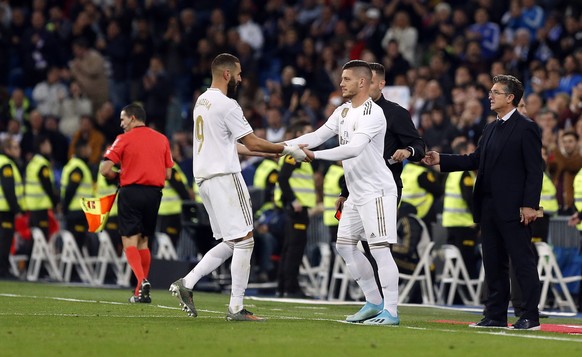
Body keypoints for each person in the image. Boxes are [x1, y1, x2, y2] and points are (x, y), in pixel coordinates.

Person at [168, 53, 307, 322]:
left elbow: (232, 144)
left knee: (233, 241)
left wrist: (271, 154)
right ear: (227, 74)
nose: (242, 79)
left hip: (205, 180)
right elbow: (253, 141)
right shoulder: (227, 104)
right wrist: (287, 148)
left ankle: (188, 282)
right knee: (246, 239)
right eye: (239, 74)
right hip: (225, 176)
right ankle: (236, 308)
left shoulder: (202, 101)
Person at [422, 74, 543, 330]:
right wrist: (440, 159)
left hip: (514, 209)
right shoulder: (490, 127)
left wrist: (529, 205)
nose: (490, 96)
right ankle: (495, 315)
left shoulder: (526, 127)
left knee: (522, 262)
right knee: (493, 262)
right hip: (488, 207)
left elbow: (534, 170)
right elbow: (474, 160)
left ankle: (529, 316)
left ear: (510, 98)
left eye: (495, 92)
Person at [288, 60, 401, 325]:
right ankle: (373, 301)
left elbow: (353, 149)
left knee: (380, 249)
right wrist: (275, 147)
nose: (341, 83)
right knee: (345, 246)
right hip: (356, 193)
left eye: (347, 79)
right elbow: (315, 135)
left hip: (377, 192)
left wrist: (314, 156)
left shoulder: (373, 114)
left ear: (362, 82)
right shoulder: (342, 112)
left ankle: (392, 311)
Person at [100, 103, 173, 304]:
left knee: (129, 241)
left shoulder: (123, 140)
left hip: (130, 192)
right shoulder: (162, 139)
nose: (121, 124)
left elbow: (105, 169)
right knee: (143, 241)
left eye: (123, 119)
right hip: (154, 195)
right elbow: (168, 173)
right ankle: (140, 291)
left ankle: (142, 281)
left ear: (132, 118)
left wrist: (120, 175)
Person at [274, 120, 316, 298]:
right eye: (308, 131)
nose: (312, 135)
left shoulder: (296, 152)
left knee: (289, 248)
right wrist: (293, 201)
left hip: (295, 207)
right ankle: (291, 288)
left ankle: (283, 287)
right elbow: (283, 178)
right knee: (295, 249)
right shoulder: (296, 153)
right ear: (300, 133)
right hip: (297, 208)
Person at [60, 139, 94, 250]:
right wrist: (65, 208)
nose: (90, 151)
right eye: (88, 148)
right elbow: (70, 189)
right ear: (83, 150)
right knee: (76, 246)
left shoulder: (76, 165)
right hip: (77, 211)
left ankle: (73, 267)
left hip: (77, 211)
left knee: (75, 246)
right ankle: (73, 268)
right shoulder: (78, 168)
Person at [25, 134, 58, 241]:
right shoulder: (42, 164)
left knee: (35, 239)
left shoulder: (33, 162)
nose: (50, 146)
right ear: (42, 146)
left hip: (31, 205)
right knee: (43, 239)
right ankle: (43, 258)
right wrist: (55, 202)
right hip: (41, 206)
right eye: (48, 144)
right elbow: (47, 186)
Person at [0, 138, 24, 279]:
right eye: (15, 147)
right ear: (7, 149)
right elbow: (8, 189)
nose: (18, 150)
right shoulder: (7, 164)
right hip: (4, 209)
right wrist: (16, 209)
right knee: (4, 240)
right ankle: (3, 270)